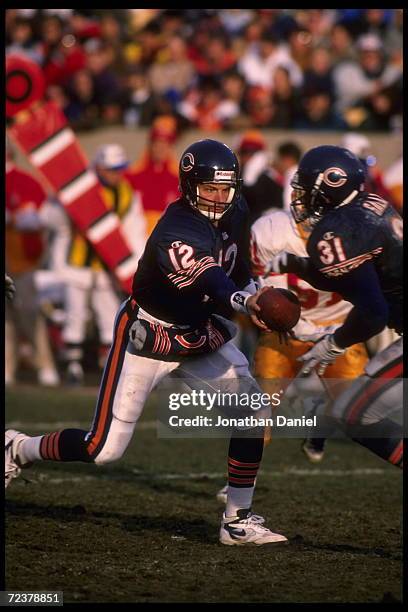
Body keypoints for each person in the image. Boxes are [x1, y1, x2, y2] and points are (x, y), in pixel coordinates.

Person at [6, 139, 288, 546]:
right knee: (102, 449)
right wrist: (246, 300)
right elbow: (210, 276)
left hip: (195, 330)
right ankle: (17, 448)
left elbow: (235, 266)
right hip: (149, 334)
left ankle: (236, 521)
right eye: (210, 189)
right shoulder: (178, 229)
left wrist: (255, 289)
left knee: (251, 409)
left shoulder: (236, 210)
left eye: (226, 189)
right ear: (190, 186)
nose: (220, 198)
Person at [271, 144, 402, 468]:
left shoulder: (336, 232)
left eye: (306, 188)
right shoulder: (370, 205)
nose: (301, 197)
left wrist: (335, 343)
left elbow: (374, 313)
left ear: (329, 185)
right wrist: (300, 266)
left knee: (353, 414)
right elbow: (359, 281)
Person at [62, 143, 147, 385]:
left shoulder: (126, 192)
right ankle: (73, 366)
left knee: (109, 315)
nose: (115, 173)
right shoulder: (81, 188)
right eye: (111, 169)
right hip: (77, 262)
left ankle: (106, 366)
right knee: (74, 314)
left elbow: (134, 229)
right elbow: (55, 219)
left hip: (110, 266)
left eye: (119, 168)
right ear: (98, 166)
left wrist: (134, 265)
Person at [6, 145, 60, 387]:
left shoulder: (25, 182)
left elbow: (38, 219)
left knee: (29, 310)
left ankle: (44, 364)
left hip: (20, 257)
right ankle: (8, 367)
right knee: (7, 315)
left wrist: (16, 217)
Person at [125, 116, 180, 236]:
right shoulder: (133, 175)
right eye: (157, 144)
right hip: (137, 236)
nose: (160, 148)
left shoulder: (179, 179)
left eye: (165, 144)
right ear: (150, 145)